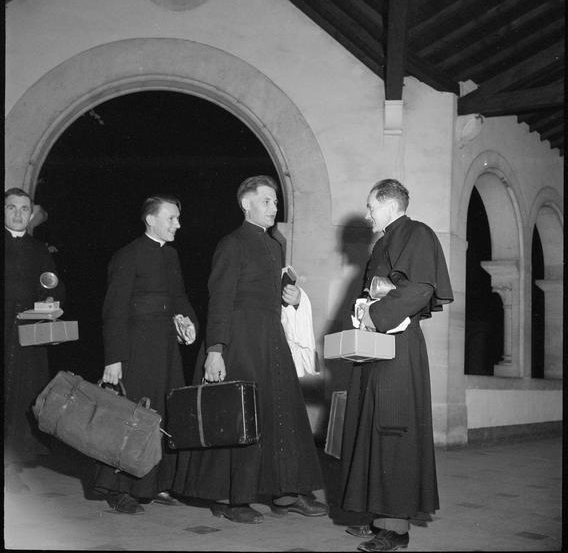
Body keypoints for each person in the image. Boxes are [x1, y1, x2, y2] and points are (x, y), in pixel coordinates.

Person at [174, 175, 327, 524]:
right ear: (246, 204)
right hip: (239, 340)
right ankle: (231, 498)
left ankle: (286, 492)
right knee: (238, 417)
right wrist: (215, 349)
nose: (274, 207)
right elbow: (221, 300)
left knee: (282, 413)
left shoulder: (275, 246)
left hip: (271, 339)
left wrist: (292, 297)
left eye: (275, 202)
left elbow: (273, 295)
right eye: (267, 201)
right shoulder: (232, 244)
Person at [340, 179, 453, 552]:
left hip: (399, 348)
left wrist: (375, 315)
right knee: (373, 428)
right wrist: (365, 312)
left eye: (371, 206)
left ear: (389, 205)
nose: (368, 213)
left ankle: (396, 528)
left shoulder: (417, 234)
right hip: (379, 345)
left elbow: (420, 288)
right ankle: (378, 517)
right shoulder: (385, 240)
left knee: (394, 429)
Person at [93, 194, 199, 514]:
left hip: (166, 349)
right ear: (150, 220)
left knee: (163, 415)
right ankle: (118, 488)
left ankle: (154, 486)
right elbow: (114, 311)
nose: (177, 224)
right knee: (131, 418)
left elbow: (179, 298)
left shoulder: (172, 256)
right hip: (136, 349)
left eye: (178, 218)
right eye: (171, 218)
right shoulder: (128, 255)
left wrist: (189, 323)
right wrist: (114, 359)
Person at [4, 187, 66, 493]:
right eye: (11, 208)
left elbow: (51, 285)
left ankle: (10, 467)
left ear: (31, 214)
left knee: (21, 398)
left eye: (23, 209)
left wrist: (50, 304)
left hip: (26, 335)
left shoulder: (40, 250)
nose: (17, 214)